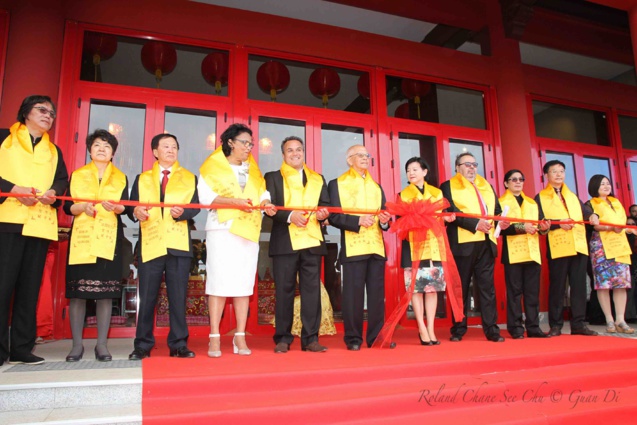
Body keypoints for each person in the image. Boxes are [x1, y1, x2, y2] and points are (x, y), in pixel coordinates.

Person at [0, 95, 69, 366]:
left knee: (29, 289)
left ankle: (22, 348)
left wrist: (55, 192)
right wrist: (12, 189)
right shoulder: (4, 137)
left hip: (40, 224)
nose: (48, 116)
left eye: (51, 113)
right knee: (2, 287)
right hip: (8, 221)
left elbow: (62, 180)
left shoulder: (54, 150)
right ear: (25, 112)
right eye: (42, 110)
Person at [198, 124, 276, 357]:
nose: (249, 147)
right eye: (245, 142)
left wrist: (267, 205)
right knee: (218, 283)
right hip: (222, 228)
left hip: (248, 230)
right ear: (230, 142)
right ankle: (214, 337)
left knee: (243, 285)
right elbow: (206, 198)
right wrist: (233, 203)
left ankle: (240, 336)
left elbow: (262, 195)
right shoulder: (212, 166)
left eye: (251, 144)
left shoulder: (253, 169)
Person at [128, 133, 200, 360]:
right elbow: (132, 207)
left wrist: (184, 213)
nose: (171, 150)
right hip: (151, 242)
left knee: (178, 297)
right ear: (155, 152)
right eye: (166, 146)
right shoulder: (142, 178)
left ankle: (178, 344)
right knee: (147, 296)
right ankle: (142, 344)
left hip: (178, 245)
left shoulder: (189, 177)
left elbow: (195, 206)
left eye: (174, 147)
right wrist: (135, 211)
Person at [64, 129, 128, 362]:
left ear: (113, 153)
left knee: (105, 294)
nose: (102, 149)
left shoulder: (121, 177)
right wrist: (82, 208)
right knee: (78, 294)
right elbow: (66, 207)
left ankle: (102, 345)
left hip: (109, 239)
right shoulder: (78, 174)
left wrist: (118, 208)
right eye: (97, 145)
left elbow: (127, 209)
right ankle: (76, 346)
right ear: (90, 150)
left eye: (107, 146)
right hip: (82, 238)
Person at [265, 136, 330, 353]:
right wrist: (290, 216)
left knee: (312, 292)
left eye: (299, 150)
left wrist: (323, 214)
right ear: (283, 155)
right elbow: (270, 207)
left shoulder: (317, 178)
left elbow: (326, 205)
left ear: (304, 153)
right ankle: (283, 338)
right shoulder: (273, 177)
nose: (295, 153)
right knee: (285, 290)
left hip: (312, 241)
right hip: (285, 242)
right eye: (290, 150)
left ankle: (310, 338)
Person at [327, 145, 392, 351]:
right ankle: (353, 338)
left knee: (376, 296)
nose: (365, 158)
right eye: (360, 155)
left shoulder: (376, 186)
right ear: (349, 160)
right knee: (353, 297)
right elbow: (334, 216)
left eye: (367, 155)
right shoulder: (337, 184)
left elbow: (385, 218)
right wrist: (357, 220)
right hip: (353, 246)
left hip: (376, 246)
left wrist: (384, 221)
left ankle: (376, 338)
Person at [441, 152, 509, 342]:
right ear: (457, 167)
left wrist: (501, 224)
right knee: (460, 288)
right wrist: (475, 224)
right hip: (463, 244)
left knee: (487, 288)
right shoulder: (447, 186)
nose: (471, 168)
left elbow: (495, 211)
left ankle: (492, 329)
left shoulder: (486, 186)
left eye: (474, 164)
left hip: (486, 243)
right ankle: (459, 328)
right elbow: (451, 210)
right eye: (467, 164)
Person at [535, 159, 600, 337]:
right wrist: (557, 225)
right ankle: (556, 325)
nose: (559, 174)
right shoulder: (540, 197)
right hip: (558, 246)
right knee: (557, 286)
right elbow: (539, 221)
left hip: (578, 244)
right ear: (546, 175)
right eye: (554, 171)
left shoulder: (572, 196)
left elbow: (586, 212)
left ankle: (578, 324)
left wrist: (593, 214)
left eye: (562, 171)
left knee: (578, 286)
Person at [399, 157, 455, 345]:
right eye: (408, 170)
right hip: (413, 245)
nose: (411, 173)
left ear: (425, 172)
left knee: (432, 290)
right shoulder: (403, 194)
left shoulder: (437, 193)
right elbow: (402, 221)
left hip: (433, 245)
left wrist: (445, 219)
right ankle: (421, 328)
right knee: (416, 289)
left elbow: (440, 218)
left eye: (415, 169)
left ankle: (431, 327)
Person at [499, 169, 551, 339]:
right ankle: (515, 328)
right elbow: (499, 229)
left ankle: (534, 327)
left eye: (521, 179)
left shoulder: (532, 203)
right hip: (513, 253)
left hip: (532, 252)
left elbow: (541, 225)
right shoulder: (501, 202)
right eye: (513, 179)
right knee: (514, 293)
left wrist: (545, 228)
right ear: (506, 183)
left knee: (532, 292)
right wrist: (522, 228)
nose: (518, 182)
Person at [585, 175, 635, 334]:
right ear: (594, 187)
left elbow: (622, 224)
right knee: (603, 284)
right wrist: (611, 229)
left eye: (607, 183)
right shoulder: (590, 204)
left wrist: (628, 229)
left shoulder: (617, 202)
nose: (606, 186)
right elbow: (595, 226)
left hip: (620, 245)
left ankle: (621, 319)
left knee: (621, 284)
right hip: (601, 247)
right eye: (601, 184)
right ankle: (609, 319)